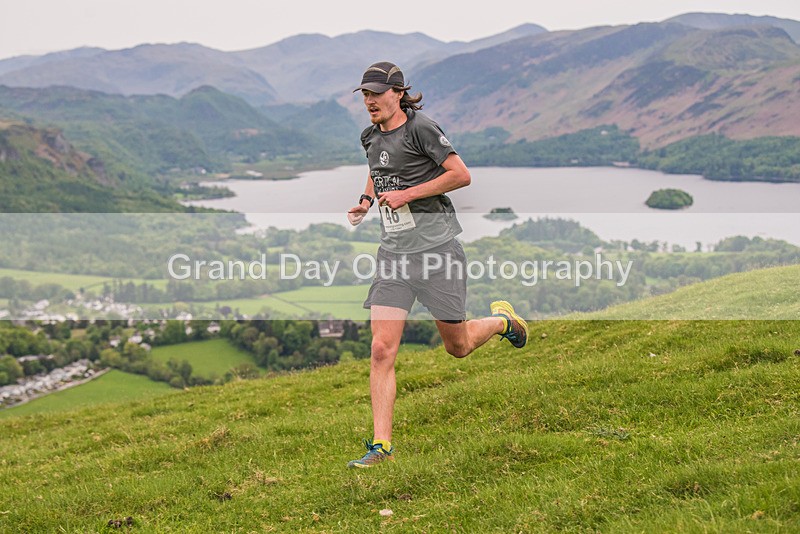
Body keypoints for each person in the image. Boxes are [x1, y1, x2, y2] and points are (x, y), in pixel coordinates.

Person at [346, 61, 528, 468]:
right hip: (394, 255)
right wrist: (365, 200)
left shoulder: (422, 128)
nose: (370, 100)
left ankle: (502, 322)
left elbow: (460, 175)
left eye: (377, 92)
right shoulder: (369, 136)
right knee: (380, 349)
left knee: (457, 346)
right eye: (365, 94)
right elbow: (379, 170)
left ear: (398, 92)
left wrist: (409, 195)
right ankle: (381, 447)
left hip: (437, 251)